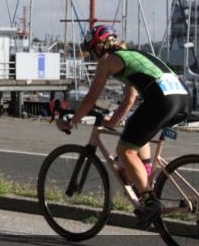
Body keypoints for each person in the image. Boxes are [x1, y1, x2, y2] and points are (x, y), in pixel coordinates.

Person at [56, 25, 191, 228]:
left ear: (99, 47)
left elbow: (91, 98)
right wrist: (113, 122)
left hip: (163, 101)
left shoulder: (107, 61)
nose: (92, 56)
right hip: (184, 99)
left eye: (91, 51)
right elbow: (130, 98)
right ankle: (142, 175)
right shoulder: (132, 55)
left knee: (125, 150)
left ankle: (150, 201)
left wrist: (72, 121)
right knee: (135, 130)